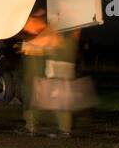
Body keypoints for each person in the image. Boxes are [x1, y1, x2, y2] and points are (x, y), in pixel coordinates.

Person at [17, 9, 78, 138]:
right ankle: (36, 126)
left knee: (52, 97)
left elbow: (48, 42)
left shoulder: (52, 32)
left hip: (53, 68)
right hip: (50, 67)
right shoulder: (56, 30)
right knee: (44, 96)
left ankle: (61, 129)